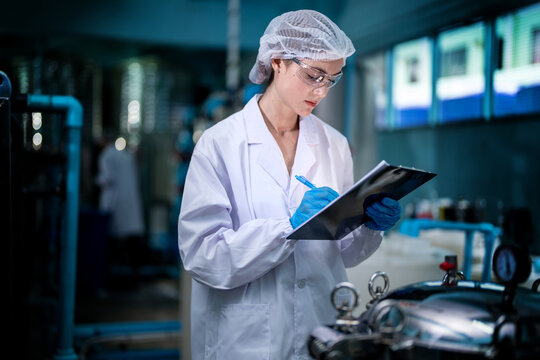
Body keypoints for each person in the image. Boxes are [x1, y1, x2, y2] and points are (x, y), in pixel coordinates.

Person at [178, 9, 402, 360]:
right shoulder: (220, 143)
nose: (321, 91)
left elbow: (345, 253)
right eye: (313, 75)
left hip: (320, 328)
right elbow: (203, 256)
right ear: (278, 61)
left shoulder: (334, 144)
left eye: (332, 79)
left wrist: (368, 227)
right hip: (245, 339)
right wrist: (288, 228)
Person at [96, 131, 145, 270]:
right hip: (130, 202)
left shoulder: (106, 156)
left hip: (115, 202)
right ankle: (135, 272)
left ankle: (108, 272)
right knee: (132, 238)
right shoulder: (126, 155)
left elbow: (107, 179)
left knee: (111, 240)